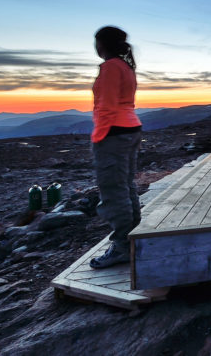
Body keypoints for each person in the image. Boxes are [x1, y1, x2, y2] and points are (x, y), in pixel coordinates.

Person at [89, 26, 143, 269]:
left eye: (96, 42)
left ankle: (122, 245)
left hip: (114, 132)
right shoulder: (126, 67)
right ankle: (133, 235)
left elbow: (107, 105)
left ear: (103, 44)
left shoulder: (111, 66)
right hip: (130, 128)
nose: (95, 46)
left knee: (113, 188)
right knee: (126, 183)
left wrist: (100, 135)